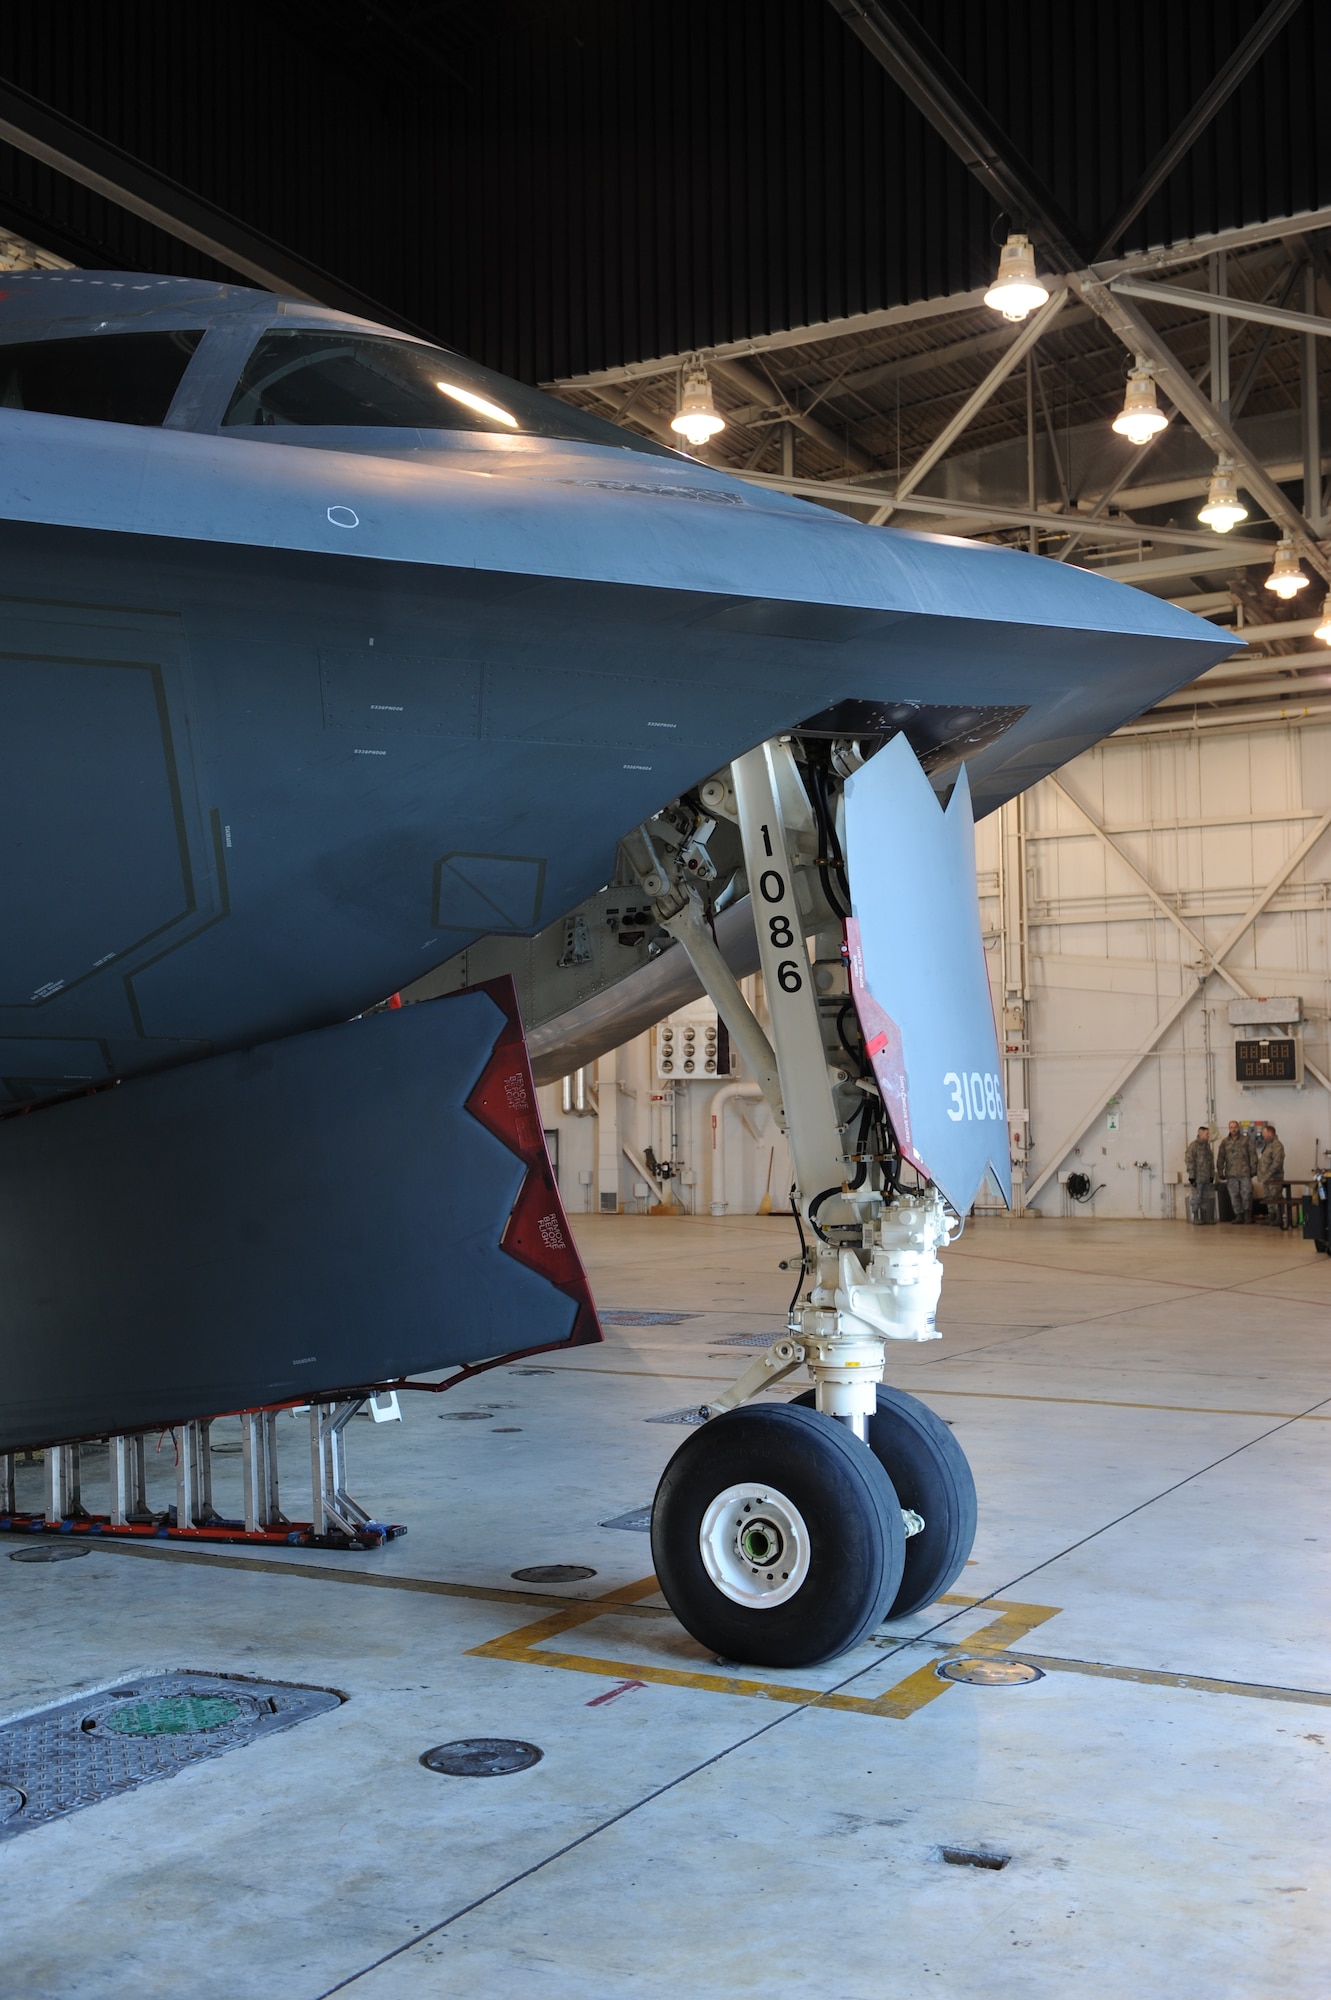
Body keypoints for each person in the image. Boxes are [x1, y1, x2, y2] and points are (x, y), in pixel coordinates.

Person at [1216, 1119, 1256, 1223]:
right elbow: (1221, 1157)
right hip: (1231, 1173)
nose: (1233, 1129)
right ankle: (1238, 1215)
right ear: (1229, 1129)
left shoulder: (1246, 1140)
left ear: (1238, 1128)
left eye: (1235, 1127)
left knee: (1247, 1194)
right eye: (1231, 1127)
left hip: (1244, 1172)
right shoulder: (1224, 1142)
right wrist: (1220, 1171)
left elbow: (1253, 1155)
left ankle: (1247, 1215)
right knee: (1234, 1195)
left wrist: (1253, 1169)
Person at [1252, 1123, 1286, 1225]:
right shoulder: (1268, 1145)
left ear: (1270, 1133)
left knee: (1276, 1197)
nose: (1262, 1135)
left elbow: (1277, 1162)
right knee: (1269, 1198)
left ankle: (1279, 1218)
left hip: (1274, 1178)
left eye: (1264, 1133)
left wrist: (1269, 1173)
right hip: (1266, 1178)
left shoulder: (1277, 1145)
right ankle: (1272, 1216)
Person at [1184, 1126, 1215, 1222]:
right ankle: (1196, 1216)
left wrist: (1211, 1175)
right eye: (1207, 1134)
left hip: (1206, 1177)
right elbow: (1189, 1161)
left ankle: (1204, 1217)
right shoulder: (1193, 1146)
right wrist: (1192, 1176)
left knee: (1205, 1197)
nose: (1208, 1135)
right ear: (1201, 1134)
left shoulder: (1207, 1147)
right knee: (1197, 1197)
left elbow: (1210, 1162)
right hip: (1197, 1177)